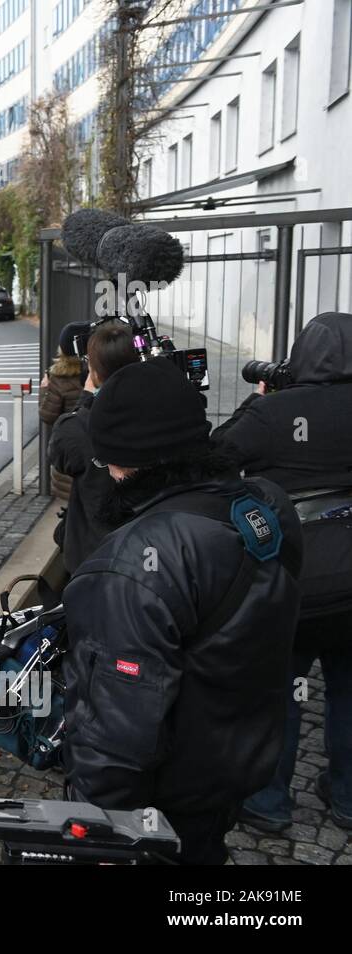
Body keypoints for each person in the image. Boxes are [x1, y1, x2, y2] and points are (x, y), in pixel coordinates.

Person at [61, 358, 303, 864]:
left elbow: (116, 738)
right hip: (236, 765)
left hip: (170, 796)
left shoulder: (132, 564)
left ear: (130, 461)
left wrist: (98, 834)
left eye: (108, 461)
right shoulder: (267, 504)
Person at [212, 312, 352, 833]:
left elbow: (214, 456)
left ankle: (269, 800)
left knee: (279, 690)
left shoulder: (274, 412)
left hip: (292, 580)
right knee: (349, 689)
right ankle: (348, 796)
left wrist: (262, 403)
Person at [48, 321, 140, 575]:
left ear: (95, 373)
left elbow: (60, 452)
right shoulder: (158, 412)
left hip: (95, 554)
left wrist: (86, 398)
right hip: (147, 545)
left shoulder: (80, 426)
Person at [39, 321, 87, 500]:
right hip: (95, 455)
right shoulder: (97, 371)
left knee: (73, 509)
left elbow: (47, 415)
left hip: (69, 456)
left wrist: (45, 388)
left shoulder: (58, 377)